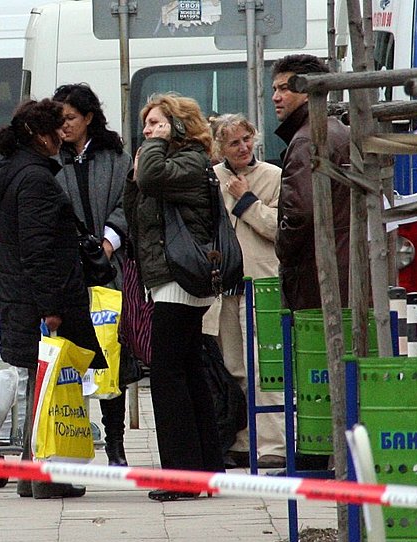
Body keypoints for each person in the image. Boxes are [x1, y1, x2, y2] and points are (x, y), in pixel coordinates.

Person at [0, 98, 107, 499]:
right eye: (57, 128)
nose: (63, 135)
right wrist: (52, 309)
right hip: (40, 300)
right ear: (41, 135)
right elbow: (39, 249)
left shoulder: (14, 173)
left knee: (38, 387)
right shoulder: (37, 180)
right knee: (47, 388)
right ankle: (46, 473)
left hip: (19, 296)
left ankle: (34, 472)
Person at [124, 93, 224, 502]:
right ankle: (207, 469)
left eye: (158, 123)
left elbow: (147, 178)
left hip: (179, 278)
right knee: (187, 369)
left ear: (180, 126)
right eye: (146, 125)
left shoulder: (189, 161)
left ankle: (182, 476)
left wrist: (154, 146)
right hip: (169, 278)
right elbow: (135, 203)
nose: (148, 132)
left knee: (167, 375)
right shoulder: (170, 162)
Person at [51, 83, 132, 467]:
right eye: (58, 119)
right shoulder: (52, 159)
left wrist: (108, 243)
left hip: (108, 269)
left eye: (69, 118)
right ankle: (74, 437)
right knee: (73, 357)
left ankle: (115, 444)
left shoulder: (115, 157)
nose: (63, 126)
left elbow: (127, 203)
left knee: (113, 355)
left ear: (87, 118)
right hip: (68, 271)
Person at [201, 113, 286, 469]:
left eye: (246, 139)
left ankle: (273, 445)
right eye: (234, 142)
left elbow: (279, 228)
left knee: (263, 364)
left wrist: (247, 200)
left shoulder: (273, 176)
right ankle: (241, 441)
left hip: (259, 281)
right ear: (219, 147)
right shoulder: (210, 178)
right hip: (224, 285)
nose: (243, 148)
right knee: (233, 365)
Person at [272, 54, 351, 311]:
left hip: (318, 271)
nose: (276, 97)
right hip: (342, 264)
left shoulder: (307, 140)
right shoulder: (335, 129)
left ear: (307, 92)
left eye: (285, 88)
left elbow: (300, 212)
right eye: (275, 89)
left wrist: (283, 250)